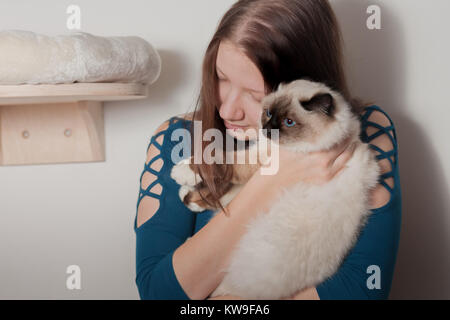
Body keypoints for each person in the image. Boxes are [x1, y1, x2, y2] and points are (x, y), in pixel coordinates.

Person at [134, 0, 401, 300]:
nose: (228, 110)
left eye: (254, 94)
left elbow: (361, 291)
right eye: (220, 77)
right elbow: (158, 294)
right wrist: (271, 180)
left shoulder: (364, 130)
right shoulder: (178, 138)